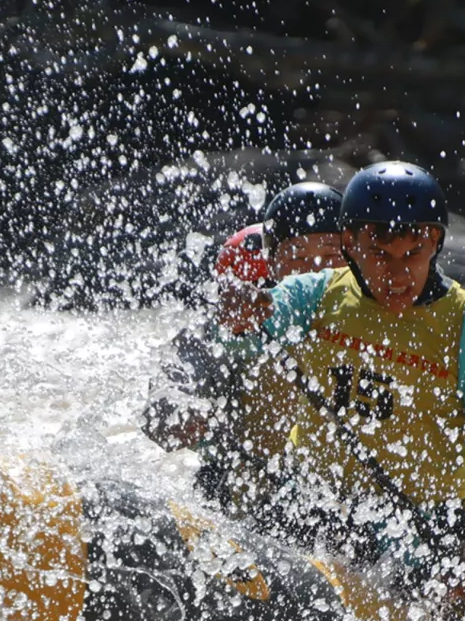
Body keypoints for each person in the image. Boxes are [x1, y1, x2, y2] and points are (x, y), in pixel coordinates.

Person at [240, 162, 465, 621]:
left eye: (413, 253)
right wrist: (244, 316)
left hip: (425, 529)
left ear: (435, 243)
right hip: (311, 505)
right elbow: (262, 320)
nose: (398, 274)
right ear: (349, 244)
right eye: (380, 254)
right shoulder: (312, 295)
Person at [143, 181, 346, 512]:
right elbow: (167, 392)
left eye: (330, 256)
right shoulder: (227, 333)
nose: (315, 271)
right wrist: (180, 413)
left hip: (344, 495)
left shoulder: (379, 312)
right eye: (298, 258)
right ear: (273, 265)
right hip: (251, 493)